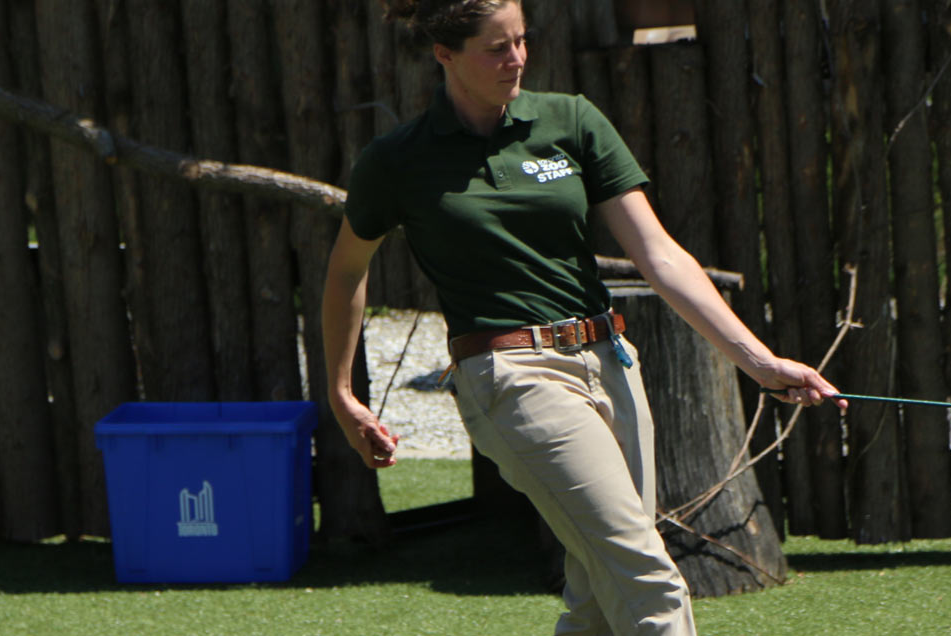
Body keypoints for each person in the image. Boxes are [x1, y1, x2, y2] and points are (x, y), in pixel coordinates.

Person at [322, 1, 845, 634]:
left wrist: (760, 362)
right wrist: (342, 392)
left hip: (611, 363)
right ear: (444, 55)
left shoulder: (569, 119)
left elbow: (660, 256)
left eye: (521, 40)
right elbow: (348, 271)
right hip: (509, 377)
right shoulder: (397, 160)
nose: (515, 58)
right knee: (647, 578)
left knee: (598, 594)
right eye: (495, 47)